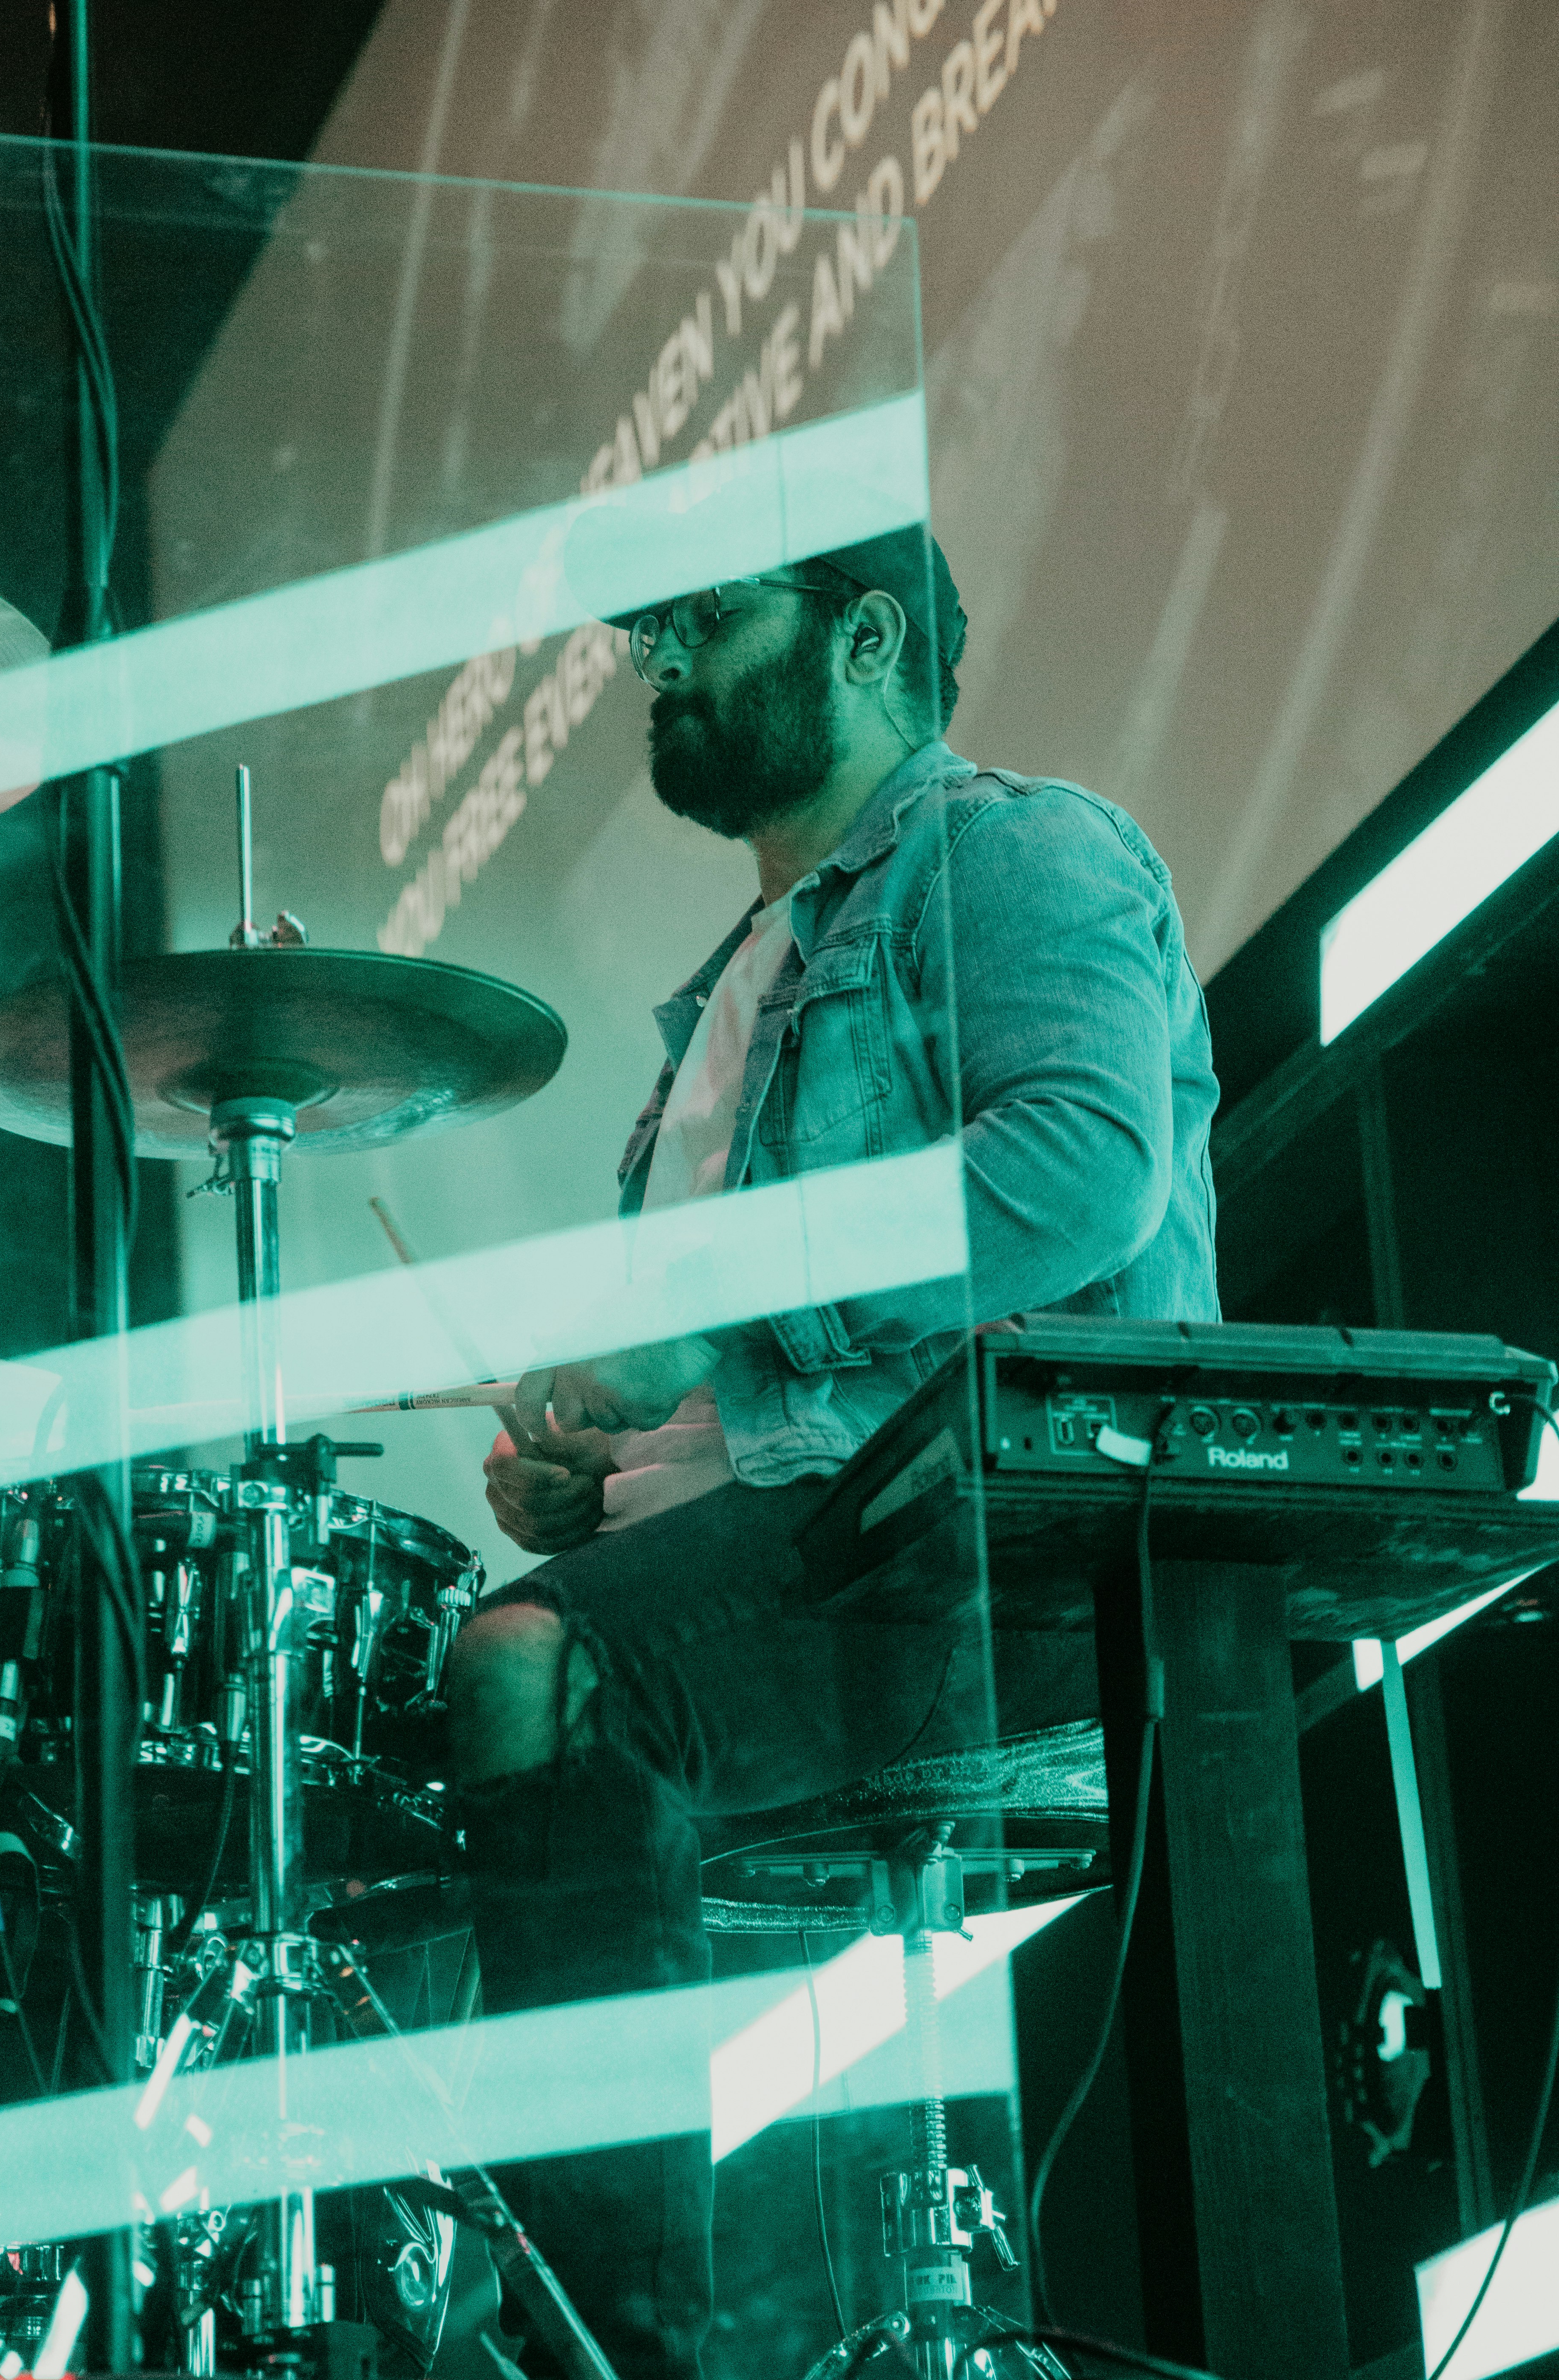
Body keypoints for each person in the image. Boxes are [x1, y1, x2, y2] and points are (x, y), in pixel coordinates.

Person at [445, 509, 1221, 2379]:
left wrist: (699, 1336)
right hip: (797, 1546)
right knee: (440, 1706)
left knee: (530, 1668)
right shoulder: (726, 992)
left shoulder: (1013, 851)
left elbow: (1077, 1172)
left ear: (866, 642)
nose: (662, 660)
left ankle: (617, 2353)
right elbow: (730, 1390)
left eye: (705, 617)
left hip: (986, 1542)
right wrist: (603, 1463)